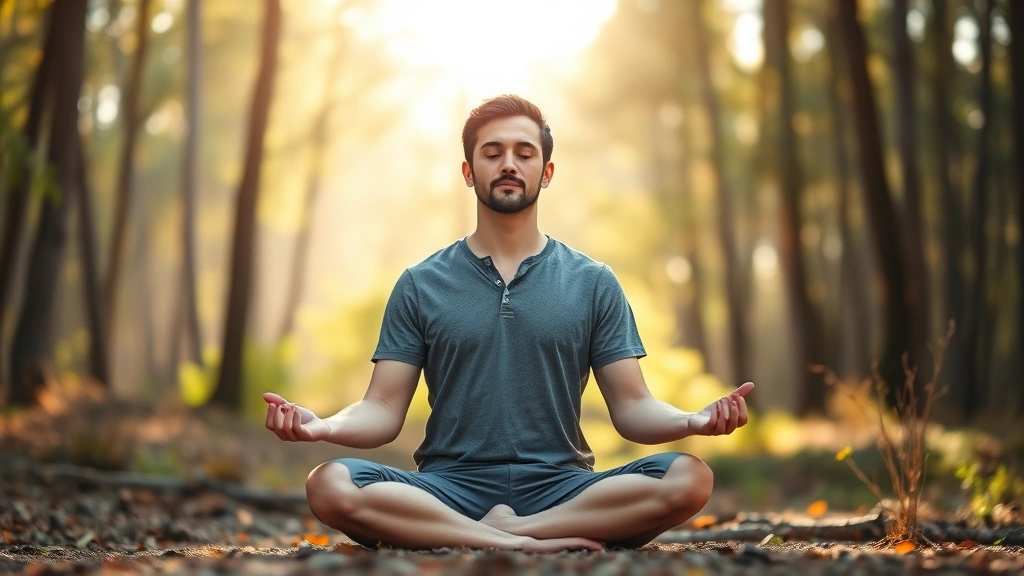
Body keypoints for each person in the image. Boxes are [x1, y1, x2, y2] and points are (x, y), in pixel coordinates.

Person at [263, 95, 754, 552]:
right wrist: (322, 425)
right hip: (447, 487)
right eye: (492, 152)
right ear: (468, 171)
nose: (509, 164)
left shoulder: (593, 283)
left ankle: (507, 532)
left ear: (546, 172)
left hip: (563, 487)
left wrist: (691, 421)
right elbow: (382, 409)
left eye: (524, 152)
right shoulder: (420, 284)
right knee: (329, 484)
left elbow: (632, 407)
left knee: (689, 478)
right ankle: (514, 542)